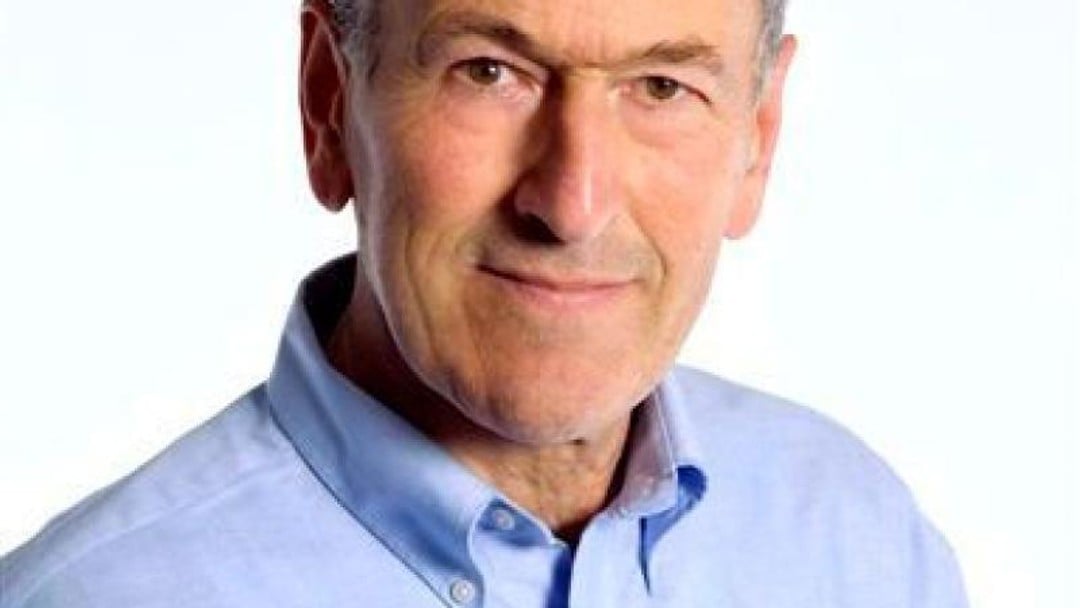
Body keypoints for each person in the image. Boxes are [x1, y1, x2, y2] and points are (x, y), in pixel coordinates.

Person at [0, 0, 969, 606]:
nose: (572, 203)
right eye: (489, 72)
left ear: (759, 135)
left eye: (662, 86)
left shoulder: (853, 536)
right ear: (329, 102)